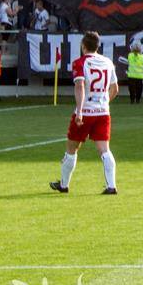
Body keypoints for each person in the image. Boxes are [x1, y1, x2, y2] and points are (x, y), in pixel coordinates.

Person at [50, 31, 119, 195]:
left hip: (86, 112)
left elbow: (80, 86)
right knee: (104, 149)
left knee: (72, 148)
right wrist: (103, 103)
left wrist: (80, 111)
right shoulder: (108, 62)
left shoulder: (80, 63)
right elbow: (115, 88)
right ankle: (111, 186)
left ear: (83, 46)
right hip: (103, 113)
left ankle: (64, 185)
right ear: (98, 46)